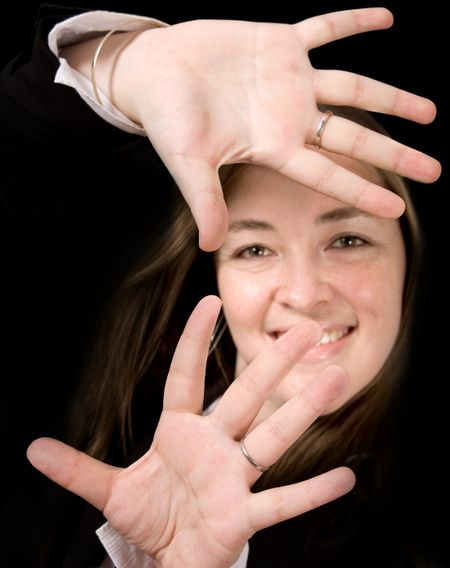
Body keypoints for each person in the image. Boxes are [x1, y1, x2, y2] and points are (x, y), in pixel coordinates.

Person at [0, 3, 443, 566]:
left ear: (409, 260)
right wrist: (129, 66)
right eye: (255, 248)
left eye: (349, 240)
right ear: (214, 276)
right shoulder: (88, 393)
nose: (305, 294)